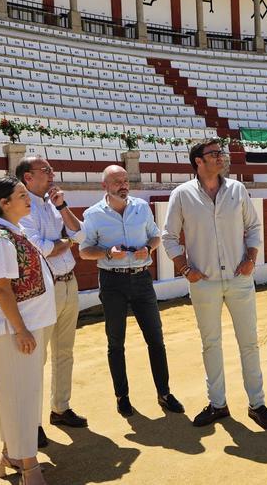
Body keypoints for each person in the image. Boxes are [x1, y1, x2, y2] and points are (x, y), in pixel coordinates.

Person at [161, 140, 267, 430]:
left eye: (221, 153)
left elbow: (253, 227)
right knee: (211, 344)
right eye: (214, 154)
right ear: (198, 161)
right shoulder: (182, 195)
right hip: (204, 282)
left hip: (240, 278)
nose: (221, 157)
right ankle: (218, 404)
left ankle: (257, 404)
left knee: (249, 343)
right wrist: (185, 269)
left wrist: (251, 258)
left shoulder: (237, 189)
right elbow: (168, 237)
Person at [79, 165, 184, 417]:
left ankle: (164, 393)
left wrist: (148, 249)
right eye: (117, 181)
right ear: (104, 186)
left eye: (125, 180)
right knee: (116, 342)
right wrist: (106, 253)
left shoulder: (141, 207)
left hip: (141, 279)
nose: (123, 185)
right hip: (112, 281)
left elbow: (155, 237)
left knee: (156, 339)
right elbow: (84, 251)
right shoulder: (92, 215)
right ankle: (122, 396)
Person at [0, 176, 54, 485]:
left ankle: (11, 453)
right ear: (4, 204)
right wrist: (21, 331)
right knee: (22, 397)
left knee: (16, 395)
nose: (28, 200)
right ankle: (29, 467)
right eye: (22, 195)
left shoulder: (9, 233)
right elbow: (3, 289)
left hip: (18, 326)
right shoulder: (2, 239)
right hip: (13, 330)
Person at [15, 157, 88, 440]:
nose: (51, 173)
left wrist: (62, 207)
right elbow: (38, 248)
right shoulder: (22, 206)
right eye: (44, 170)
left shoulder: (51, 203)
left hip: (69, 283)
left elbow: (80, 234)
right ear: (27, 178)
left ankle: (61, 407)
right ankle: (31, 423)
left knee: (64, 352)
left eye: (50, 169)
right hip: (43, 290)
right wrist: (64, 243)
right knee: (38, 358)